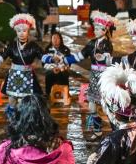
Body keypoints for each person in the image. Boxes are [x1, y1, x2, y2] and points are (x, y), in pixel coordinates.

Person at [45, 11, 116, 142]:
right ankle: (98, 131)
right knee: (92, 107)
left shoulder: (107, 44)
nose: (95, 31)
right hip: (94, 77)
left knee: (108, 107)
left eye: (98, 29)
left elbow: (108, 59)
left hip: (105, 77)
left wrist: (103, 58)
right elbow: (80, 55)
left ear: (105, 30)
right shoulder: (92, 43)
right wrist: (65, 60)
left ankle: (116, 130)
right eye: (94, 28)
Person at [0, 14, 44, 120]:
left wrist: (52, 59)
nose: (21, 33)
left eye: (24, 30)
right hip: (14, 75)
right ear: (16, 32)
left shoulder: (34, 46)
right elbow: (1, 56)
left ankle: (24, 121)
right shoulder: (11, 45)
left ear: (28, 31)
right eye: (19, 31)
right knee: (12, 100)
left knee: (26, 101)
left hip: (28, 76)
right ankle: (12, 120)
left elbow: (43, 56)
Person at [42, 32, 72, 97]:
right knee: (49, 73)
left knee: (64, 73)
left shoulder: (66, 50)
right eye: (54, 38)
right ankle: (48, 92)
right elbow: (44, 63)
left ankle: (65, 92)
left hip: (62, 69)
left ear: (60, 39)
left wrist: (60, 68)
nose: (55, 40)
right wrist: (52, 68)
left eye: (57, 38)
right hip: (52, 69)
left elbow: (68, 63)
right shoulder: (47, 49)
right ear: (51, 39)